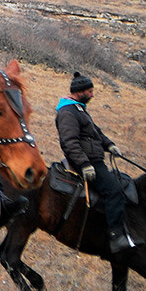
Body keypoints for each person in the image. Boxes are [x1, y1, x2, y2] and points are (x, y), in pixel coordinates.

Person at [55, 71, 138, 253]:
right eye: (90, 91)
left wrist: (110, 145)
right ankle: (116, 237)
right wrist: (84, 164)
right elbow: (69, 142)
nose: (92, 95)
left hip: (95, 160)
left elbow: (96, 133)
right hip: (87, 162)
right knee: (114, 191)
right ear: (79, 91)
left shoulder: (79, 109)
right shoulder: (67, 112)